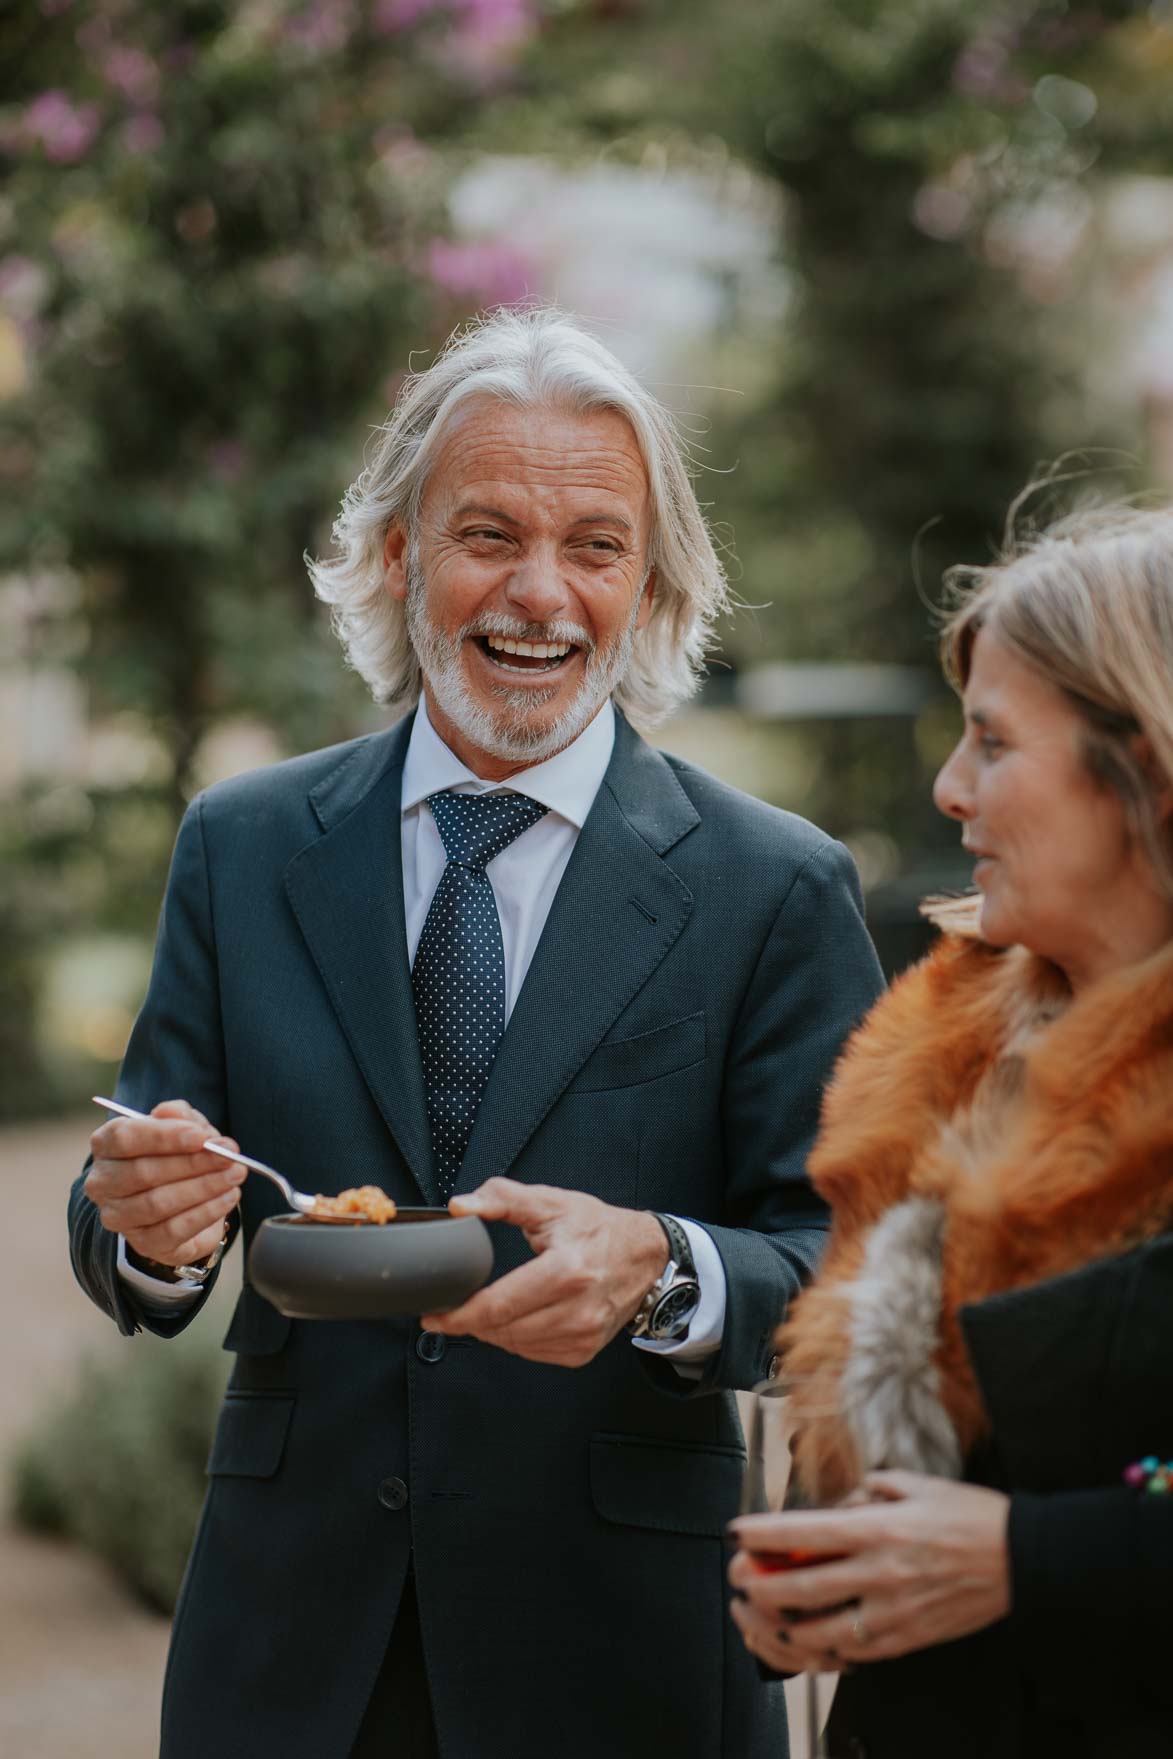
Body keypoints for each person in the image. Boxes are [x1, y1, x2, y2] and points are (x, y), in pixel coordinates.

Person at [69, 306, 883, 1759]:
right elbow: (138, 1174)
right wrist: (147, 1226)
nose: (541, 592)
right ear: (398, 556)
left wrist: (664, 1265)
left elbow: (847, 1264)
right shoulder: (244, 844)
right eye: (487, 533)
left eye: (595, 545)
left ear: (649, 587)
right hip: (292, 1647)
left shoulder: (774, 886)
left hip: (620, 1649)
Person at [728, 502, 1173, 1759]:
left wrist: (1034, 1558)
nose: (949, 786)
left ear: (1144, 769)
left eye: (990, 740)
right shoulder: (951, 1053)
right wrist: (824, 1580)